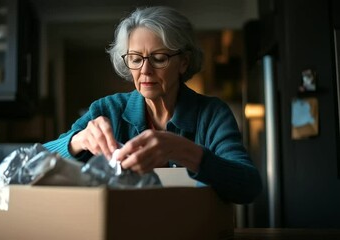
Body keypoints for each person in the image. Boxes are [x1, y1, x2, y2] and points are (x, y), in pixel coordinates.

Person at [44, 6, 262, 204]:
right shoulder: (107, 109)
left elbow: (249, 187)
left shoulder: (212, 114)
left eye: (158, 58)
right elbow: (36, 163)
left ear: (183, 62)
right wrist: (77, 141)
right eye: (136, 59)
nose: (145, 71)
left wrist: (186, 152)